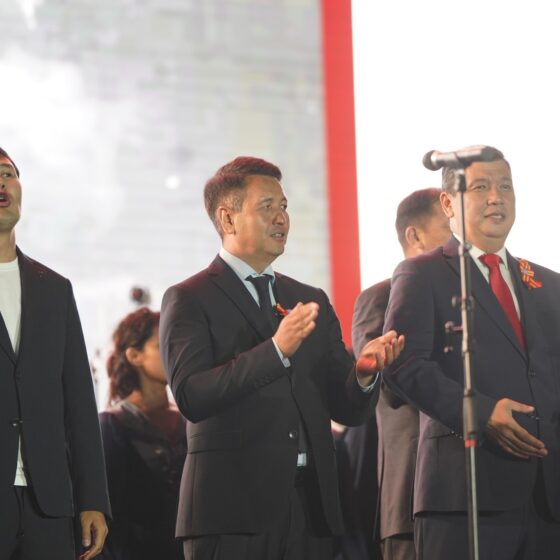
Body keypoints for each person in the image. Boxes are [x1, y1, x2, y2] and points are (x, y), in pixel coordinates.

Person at [159, 156, 405, 560]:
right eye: (267, 206)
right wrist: (275, 351)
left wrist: (363, 374)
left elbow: (347, 410)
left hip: (310, 509)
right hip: (231, 512)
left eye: (284, 206)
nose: (281, 218)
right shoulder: (189, 298)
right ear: (228, 218)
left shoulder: (309, 298)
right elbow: (191, 395)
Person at [383, 147, 560, 560]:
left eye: (505, 187)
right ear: (448, 203)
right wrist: (481, 414)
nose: (496, 198)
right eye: (481, 187)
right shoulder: (421, 273)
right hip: (463, 495)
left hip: (545, 499)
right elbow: (404, 365)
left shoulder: (547, 283)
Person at [0, 147, 110, 560]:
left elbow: (79, 401)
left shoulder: (54, 289)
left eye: (8, 174)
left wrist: (92, 498)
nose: (2, 184)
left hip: (48, 503)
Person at [351, 188, 450, 560]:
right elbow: (389, 379)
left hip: (478, 495)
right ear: (415, 235)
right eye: (449, 227)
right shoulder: (381, 296)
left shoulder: (474, 298)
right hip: (412, 493)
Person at [99, 307, 186, 560]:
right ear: (135, 355)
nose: (175, 351)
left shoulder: (189, 419)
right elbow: (111, 516)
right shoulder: (112, 425)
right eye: (162, 344)